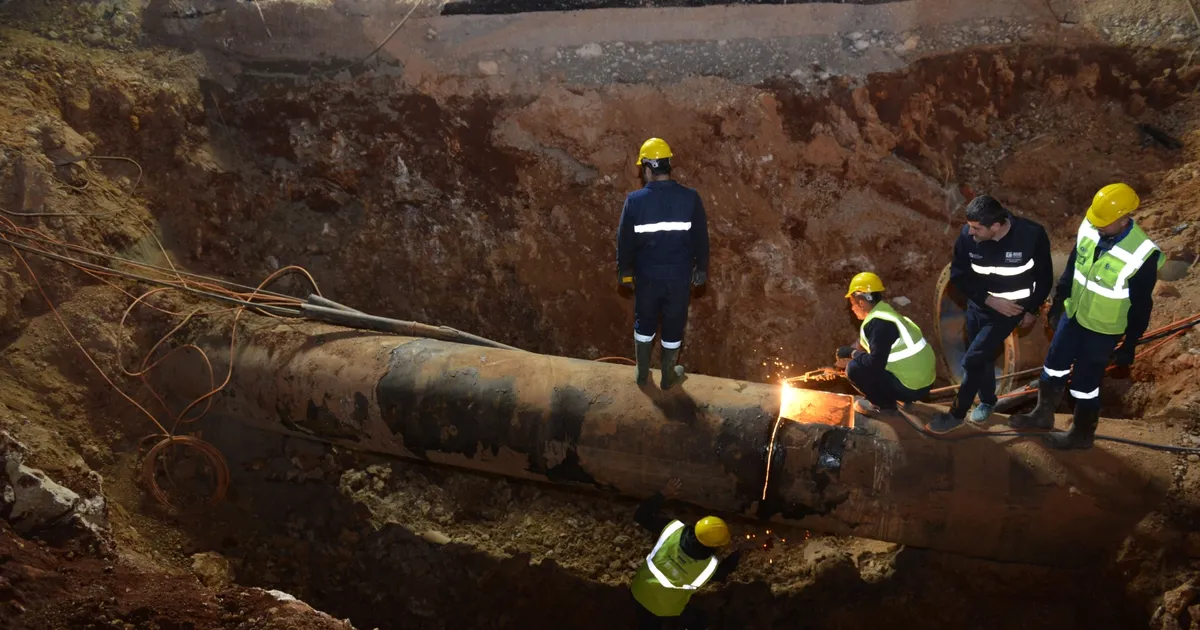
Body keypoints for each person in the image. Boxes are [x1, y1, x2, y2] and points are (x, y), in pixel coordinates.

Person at [1009, 183, 1162, 449]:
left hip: (1102, 330)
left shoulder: (1141, 254)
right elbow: (1073, 266)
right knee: (1053, 366)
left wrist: (1130, 344)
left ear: (1124, 218)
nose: (1098, 226)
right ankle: (1042, 415)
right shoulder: (1091, 227)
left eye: (1104, 222)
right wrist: (1059, 302)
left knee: (1084, 384)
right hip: (1074, 314)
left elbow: (1140, 306)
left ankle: (1081, 434)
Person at [927, 195, 1053, 434]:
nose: (970, 232)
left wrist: (1032, 309)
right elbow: (959, 275)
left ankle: (956, 414)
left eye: (976, 228)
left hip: (1009, 311)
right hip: (978, 306)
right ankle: (987, 401)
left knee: (972, 360)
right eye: (970, 226)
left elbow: (1044, 277)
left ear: (996, 226)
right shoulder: (968, 238)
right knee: (982, 358)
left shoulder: (1031, 235)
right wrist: (987, 299)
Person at [617, 137, 710, 389]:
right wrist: (701, 269)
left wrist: (625, 272)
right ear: (668, 164)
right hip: (679, 278)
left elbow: (625, 241)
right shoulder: (690, 198)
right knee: (674, 323)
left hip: (647, 277)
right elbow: (701, 238)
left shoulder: (635, 201)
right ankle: (668, 376)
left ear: (648, 167)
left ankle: (642, 373)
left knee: (644, 321)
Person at [630, 478, 741, 630]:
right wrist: (739, 552)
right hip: (664, 609)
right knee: (699, 621)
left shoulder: (673, 529)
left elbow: (641, 516)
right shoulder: (708, 567)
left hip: (639, 590)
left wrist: (663, 493)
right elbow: (723, 573)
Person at [837, 272, 936, 417]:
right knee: (861, 362)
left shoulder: (878, 325)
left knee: (854, 369)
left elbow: (875, 363)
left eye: (852, 304)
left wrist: (852, 353)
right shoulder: (886, 314)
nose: (852, 309)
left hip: (912, 387)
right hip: (924, 380)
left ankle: (885, 406)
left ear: (862, 303)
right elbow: (872, 344)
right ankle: (899, 396)